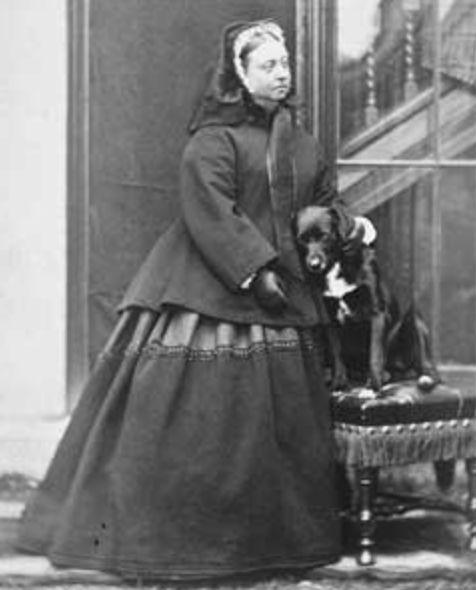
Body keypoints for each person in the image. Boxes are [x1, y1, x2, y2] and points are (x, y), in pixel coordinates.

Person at [18, 19, 354, 580]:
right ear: (240, 75)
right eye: (268, 65)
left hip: (286, 293)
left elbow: (324, 201)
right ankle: (180, 545)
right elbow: (210, 208)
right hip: (211, 283)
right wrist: (255, 270)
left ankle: (270, 542)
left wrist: (342, 225)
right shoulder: (213, 140)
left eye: (285, 64)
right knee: (197, 418)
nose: (282, 74)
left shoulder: (302, 144)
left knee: (282, 423)